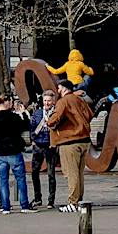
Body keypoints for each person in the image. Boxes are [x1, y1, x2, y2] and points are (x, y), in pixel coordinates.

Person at [48, 74, 93, 213]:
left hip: (69, 141)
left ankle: (73, 202)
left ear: (63, 88)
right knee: (79, 173)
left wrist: (50, 122)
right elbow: (90, 114)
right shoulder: (79, 99)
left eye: (59, 87)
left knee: (71, 173)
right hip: (84, 139)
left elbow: (54, 119)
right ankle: (79, 201)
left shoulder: (63, 101)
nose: (58, 90)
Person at [0, 93, 30, 213]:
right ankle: (24, 205)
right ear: (6, 102)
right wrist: (23, 113)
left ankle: (5, 207)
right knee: (20, 179)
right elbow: (25, 126)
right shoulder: (13, 117)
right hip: (13, 151)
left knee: (3, 180)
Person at [28, 91, 58, 211]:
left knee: (51, 174)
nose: (46, 103)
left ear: (53, 101)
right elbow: (32, 126)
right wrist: (33, 140)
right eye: (45, 100)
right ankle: (37, 197)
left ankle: (51, 200)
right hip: (38, 145)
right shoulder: (38, 113)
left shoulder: (56, 113)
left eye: (49, 101)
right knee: (34, 172)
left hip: (50, 145)